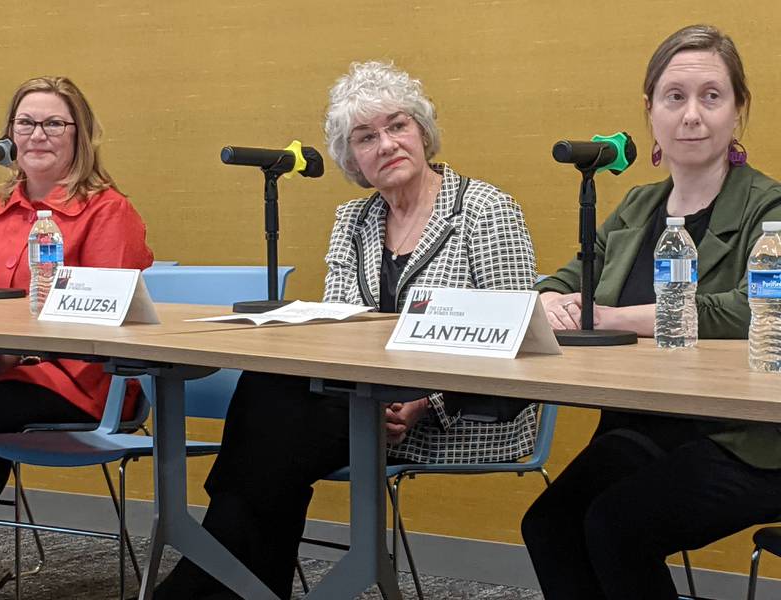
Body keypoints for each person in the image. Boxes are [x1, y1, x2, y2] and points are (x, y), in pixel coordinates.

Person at [153, 60, 537, 599]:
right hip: (359, 402)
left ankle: (204, 587)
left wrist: (424, 401)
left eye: (397, 126)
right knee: (270, 404)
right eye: (365, 137)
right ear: (352, 157)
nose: (386, 144)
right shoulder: (352, 219)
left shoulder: (485, 210)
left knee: (266, 449)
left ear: (422, 132)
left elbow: (516, 335)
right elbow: (336, 331)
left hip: (455, 409)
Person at [521, 24, 781, 600]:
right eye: (675, 97)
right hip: (643, 424)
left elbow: (750, 310)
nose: (692, 115)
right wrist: (549, 298)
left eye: (711, 97)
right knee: (547, 526)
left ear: (738, 110)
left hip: (745, 438)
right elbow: (570, 275)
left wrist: (610, 318)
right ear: (651, 111)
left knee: (617, 528)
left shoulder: (770, 204)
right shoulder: (639, 203)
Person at [0, 76, 153, 597]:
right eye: (26, 122)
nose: (38, 134)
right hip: (0, 370)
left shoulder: (107, 210)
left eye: (54, 123)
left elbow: (99, 316)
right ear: (8, 134)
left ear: (80, 135)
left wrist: (14, 353)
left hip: (84, 383)